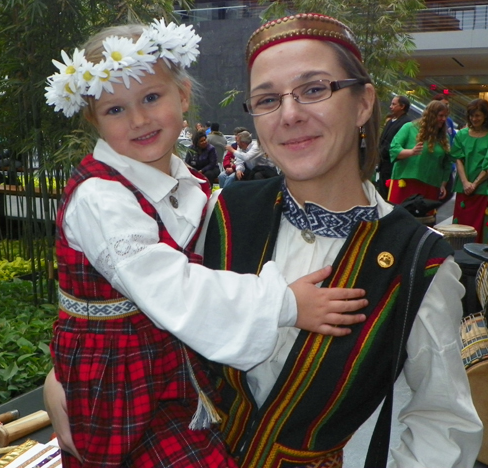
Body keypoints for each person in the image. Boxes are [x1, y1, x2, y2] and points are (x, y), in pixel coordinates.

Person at [43, 18, 367, 468]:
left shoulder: (189, 182)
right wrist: (285, 305)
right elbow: (171, 285)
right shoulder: (101, 196)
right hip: (122, 383)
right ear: (92, 120)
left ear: (183, 95)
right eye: (115, 110)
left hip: (172, 368)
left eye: (151, 97)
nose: (138, 119)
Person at [201, 13, 482, 468]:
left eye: (315, 90)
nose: (290, 115)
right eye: (268, 99)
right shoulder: (225, 215)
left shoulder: (420, 263)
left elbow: (443, 424)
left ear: (363, 103)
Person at [388, 100, 452, 206]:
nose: (444, 119)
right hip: (406, 183)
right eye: (440, 116)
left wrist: (443, 184)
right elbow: (394, 149)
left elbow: (446, 164)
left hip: (431, 185)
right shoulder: (409, 127)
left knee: (425, 220)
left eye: (446, 116)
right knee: (401, 217)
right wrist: (411, 152)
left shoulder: (444, 137)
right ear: (431, 115)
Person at [451, 98, 488, 242]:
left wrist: (475, 184)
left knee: (481, 227)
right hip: (464, 188)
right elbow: (458, 159)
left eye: (478, 115)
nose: (474, 119)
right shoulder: (461, 135)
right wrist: (465, 182)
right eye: (472, 115)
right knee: (460, 226)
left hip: (483, 189)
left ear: (485, 116)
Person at [376, 95, 411, 199]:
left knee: (389, 194)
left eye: (394, 104)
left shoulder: (406, 123)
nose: (391, 106)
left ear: (402, 106)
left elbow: (395, 143)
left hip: (392, 164)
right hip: (383, 163)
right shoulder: (391, 121)